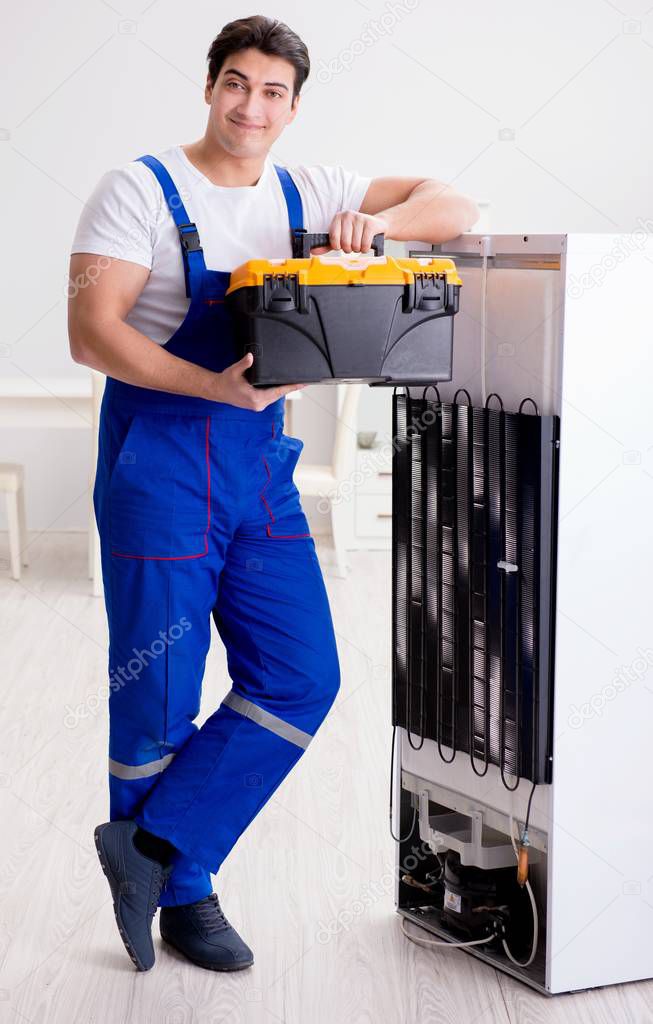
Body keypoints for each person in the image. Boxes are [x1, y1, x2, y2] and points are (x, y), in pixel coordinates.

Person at [67, 14, 479, 974]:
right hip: (161, 461)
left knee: (301, 675)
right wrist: (209, 386)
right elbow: (93, 331)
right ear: (210, 86)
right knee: (158, 693)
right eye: (236, 83)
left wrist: (377, 226)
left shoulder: (310, 188)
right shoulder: (140, 188)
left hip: (260, 469)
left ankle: (157, 846)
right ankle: (185, 894)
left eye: (273, 91)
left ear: (294, 106)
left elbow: (456, 201)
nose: (251, 106)